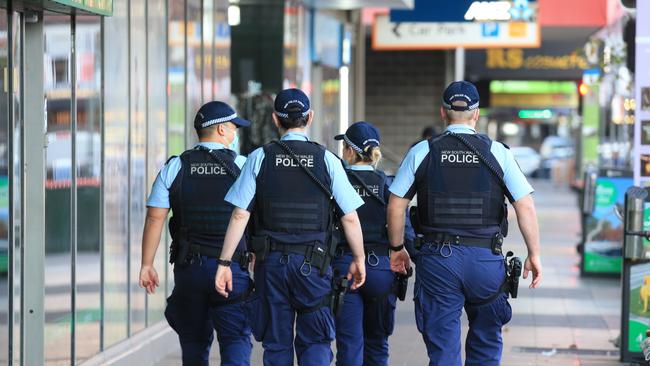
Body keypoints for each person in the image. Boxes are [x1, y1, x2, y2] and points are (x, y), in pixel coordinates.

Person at [386, 81, 543, 366]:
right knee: (485, 344)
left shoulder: (423, 151)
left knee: (443, 349)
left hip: (438, 261)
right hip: (485, 262)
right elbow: (525, 205)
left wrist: (397, 247)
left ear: (443, 113)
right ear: (476, 114)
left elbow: (397, 204)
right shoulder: (499, 153)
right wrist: (534, 254)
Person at [214, 88, 367, 366]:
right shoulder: (327, 160)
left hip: (270, 265)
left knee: (276, 342)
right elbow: (350, 217)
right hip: (315, 265)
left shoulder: (259, 158)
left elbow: (239, 215)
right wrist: (359, 258)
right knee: (316, 340)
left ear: (275, 119)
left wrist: (224, 262)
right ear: (310, 117)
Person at [139, 101, 253, 366]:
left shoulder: (176, 166)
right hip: (232, 270)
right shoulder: (244, 165)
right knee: (235, 340)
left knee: (193, 344)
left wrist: (147, 264)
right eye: (234, 128)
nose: (236, 134)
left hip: (189, 268)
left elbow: (155, 216)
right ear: (222, 130)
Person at [332, 121, 412, 366]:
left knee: (349, 345)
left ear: (349, 152)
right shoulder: (390, 185)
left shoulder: (336, 183)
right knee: (378, 344)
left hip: (345, 267)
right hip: (382, 269)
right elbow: (405, 229)